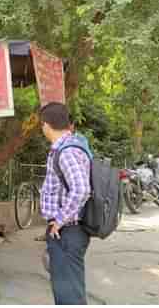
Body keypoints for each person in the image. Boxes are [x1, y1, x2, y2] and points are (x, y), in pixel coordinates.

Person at [39, 102, 92, 305]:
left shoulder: (67, 150)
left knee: (68, 295)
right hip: (69, 231)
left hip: (68, 231)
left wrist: (59, 220)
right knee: (70, 292)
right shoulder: (70, 145)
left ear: (46, 125)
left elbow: (81, 189)